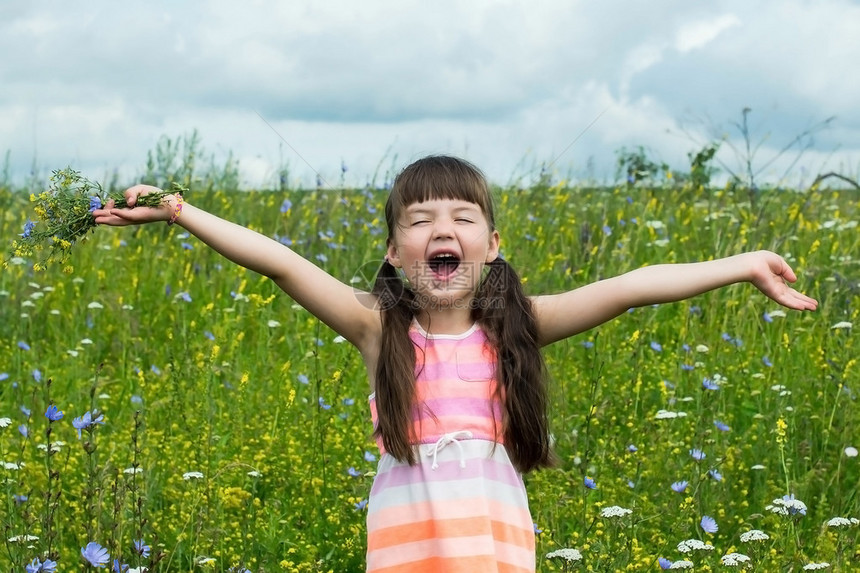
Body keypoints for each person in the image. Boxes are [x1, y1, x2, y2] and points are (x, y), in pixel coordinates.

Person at [93, 155, 818, 573]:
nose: (443, 229)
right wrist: (180, 211)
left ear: (492, 243)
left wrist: (743, 264)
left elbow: (629, 289)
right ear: (392, 253)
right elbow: (280, 264)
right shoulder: (377, 329)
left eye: (462, 218)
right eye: (419, 220)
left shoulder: (518, 331)